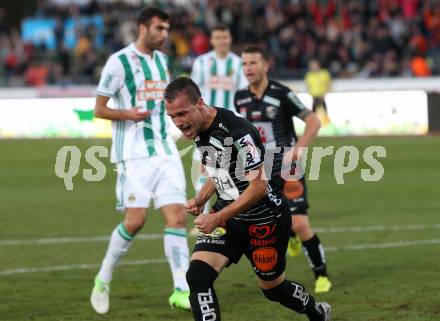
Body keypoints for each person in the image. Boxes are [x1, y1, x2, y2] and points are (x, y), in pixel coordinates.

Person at [164, 77, 331, 321]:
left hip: (264, 217)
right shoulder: (198, 127)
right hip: (229, 216)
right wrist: (201, 198)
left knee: (273, 289)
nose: (178, 122)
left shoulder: (239, 133)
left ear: (199, 103)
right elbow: (220, 167)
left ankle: (316, 311)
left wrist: (216, 217)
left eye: (181, 113)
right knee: (197, 277)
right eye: (172, 117)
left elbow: (259, 188)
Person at [90, 7, 190, 314]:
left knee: (178, 218)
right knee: (135, 222)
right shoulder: (118, 63)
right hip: (133, 154)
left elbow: (166, 104)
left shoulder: (162, 62)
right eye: (159, 29)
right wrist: (128, 115)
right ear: (142, 28)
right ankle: (103, 278)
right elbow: (99, 108)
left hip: (165, 150)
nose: (164, 35)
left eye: (167, 29)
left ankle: (181, 289)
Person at [235, 45, 332, 293]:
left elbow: (313, 120)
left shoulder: (282, 93)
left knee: (300, 223)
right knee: (266, 225)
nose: (248, 68)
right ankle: (287, 239)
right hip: (260, 173)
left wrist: (298, 148)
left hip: (288, 170)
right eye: (245, 64)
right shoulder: (240, 98)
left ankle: (321, 275)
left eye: (253, 63)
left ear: (266, 65)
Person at [190, 25, 248, 216]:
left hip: (230, 126)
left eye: (225, 37)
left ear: (229, 39)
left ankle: (231, 214)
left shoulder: (240, 64)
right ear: (212, 40)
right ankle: (203, 215)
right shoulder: (201, 63)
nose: (222, 41)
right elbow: (193, 94)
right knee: (204, 170)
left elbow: (243, 97)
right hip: (205, 126)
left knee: (230, 170)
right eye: (218, 37)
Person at [304, 59, 332, 126]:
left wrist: (324, 93)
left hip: (322, 96)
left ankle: (327, 125)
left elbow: (328, 84)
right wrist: (311, 94)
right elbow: (308, 86)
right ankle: (313, 125)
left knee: (324, 111)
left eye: (314, 65)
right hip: (314, 96)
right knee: (314, 112)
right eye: (311, 65)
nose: (313, 67)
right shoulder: (309, 75)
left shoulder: (324, 73)